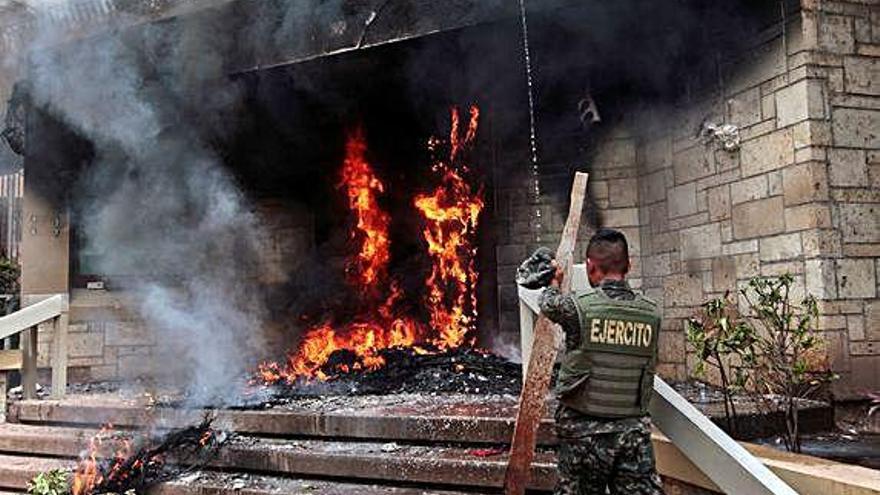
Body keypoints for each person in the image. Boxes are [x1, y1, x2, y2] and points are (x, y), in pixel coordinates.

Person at [539, 228, 664, 495]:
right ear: (629, 265)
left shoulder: (578, 308)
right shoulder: (652, 313)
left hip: (583, 434)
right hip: (633, 433)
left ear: (591, 267)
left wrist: (554, 281)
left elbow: (548, 303)